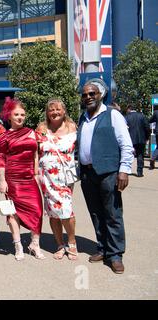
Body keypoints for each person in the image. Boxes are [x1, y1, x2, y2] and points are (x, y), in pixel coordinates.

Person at [78, 82, 134, 274]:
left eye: (92, 93)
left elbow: (126, 144)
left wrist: (124, 170)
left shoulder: (113, 115)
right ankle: (103, 248)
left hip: (109, 173)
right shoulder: (82, 118)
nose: (88, 97)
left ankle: (116, 254)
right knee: (96, 212)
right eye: (84, 95)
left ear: (100, 94)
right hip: (87, 173)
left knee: (113, 214)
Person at [0, 97, 45, 261]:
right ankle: (18, 246)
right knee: (13, 213)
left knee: (37, 211)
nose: (20, 117)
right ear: (9, 116)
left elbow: (35, 155)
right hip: (13, 179)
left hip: (29, 178)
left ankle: (35, 244)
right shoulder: (4, 136)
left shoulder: (31, 132)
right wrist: (2, 180)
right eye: (16, 114)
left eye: (22, 115)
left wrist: (37, 174)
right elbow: (1, 158)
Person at [36, 98, 78, 260]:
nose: (54, 112)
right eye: (51, 110)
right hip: (46, 176)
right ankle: (60, 244)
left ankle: (72, 241)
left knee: (66, 209)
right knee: (52, 211)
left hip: (65, 175)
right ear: (47, 112)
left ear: (64, 111)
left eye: (58, 109)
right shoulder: (41, 128)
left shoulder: (72, 127)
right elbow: (35, 151)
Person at [124, 105, 150, 177]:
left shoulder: (126, 117)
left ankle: (126, 171)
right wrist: (147, 137)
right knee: (140, 155)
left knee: (128, 154)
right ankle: (140, 172)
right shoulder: (142, 116)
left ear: (129, 109)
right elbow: (147, 127)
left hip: (129, 139)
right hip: (141, 139)